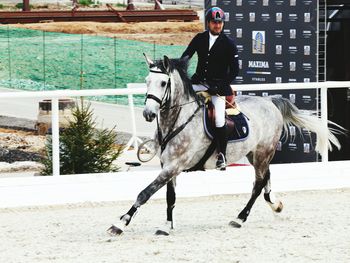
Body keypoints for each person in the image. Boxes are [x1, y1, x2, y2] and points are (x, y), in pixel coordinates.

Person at [181, 6, 239, 170]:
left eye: (220, 23)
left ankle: (222, 156)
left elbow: (235, 71)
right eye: (214, 22)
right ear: (208, 23)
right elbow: (186, 56)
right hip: (200, 82)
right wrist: (185, 73)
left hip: (218, 88)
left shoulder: (229, 44)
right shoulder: (199, 38)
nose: (217, 26)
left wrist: (219, 86)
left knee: (219, 119)